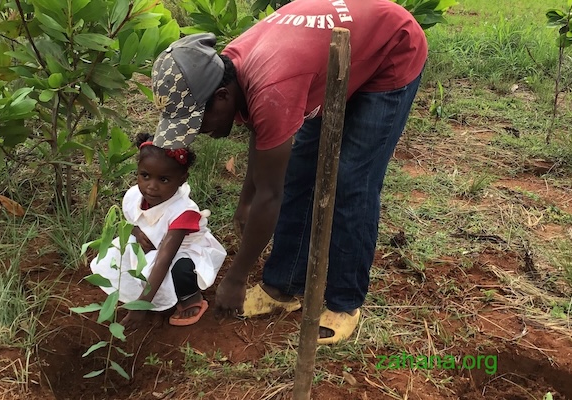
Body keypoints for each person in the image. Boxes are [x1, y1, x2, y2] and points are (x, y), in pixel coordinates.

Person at [150, 0, 428, 343]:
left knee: (351, 181)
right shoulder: (229, 66)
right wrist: (245, 199)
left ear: (221, 97)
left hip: (390, 50)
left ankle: (345, 301)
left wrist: (236, 277)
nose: (198, 133)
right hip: (324, 61)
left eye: (197, 123)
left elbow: (272, 193)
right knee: (300, 173)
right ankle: (284, 285)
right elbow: (260, 131)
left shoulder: (272, 88)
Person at [90, 133, 226, 330]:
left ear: (181, 179)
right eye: (145, 176)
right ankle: (153, 297)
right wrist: (136, 232)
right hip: (152, 244)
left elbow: (164, 259)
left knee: (180, 269)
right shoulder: (135, 195)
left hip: (182, 252)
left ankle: (190, 298)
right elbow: (131, 221)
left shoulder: (183, 211)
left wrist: (140, 308)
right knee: (119, 255)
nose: (151, 187)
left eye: (163, 180)